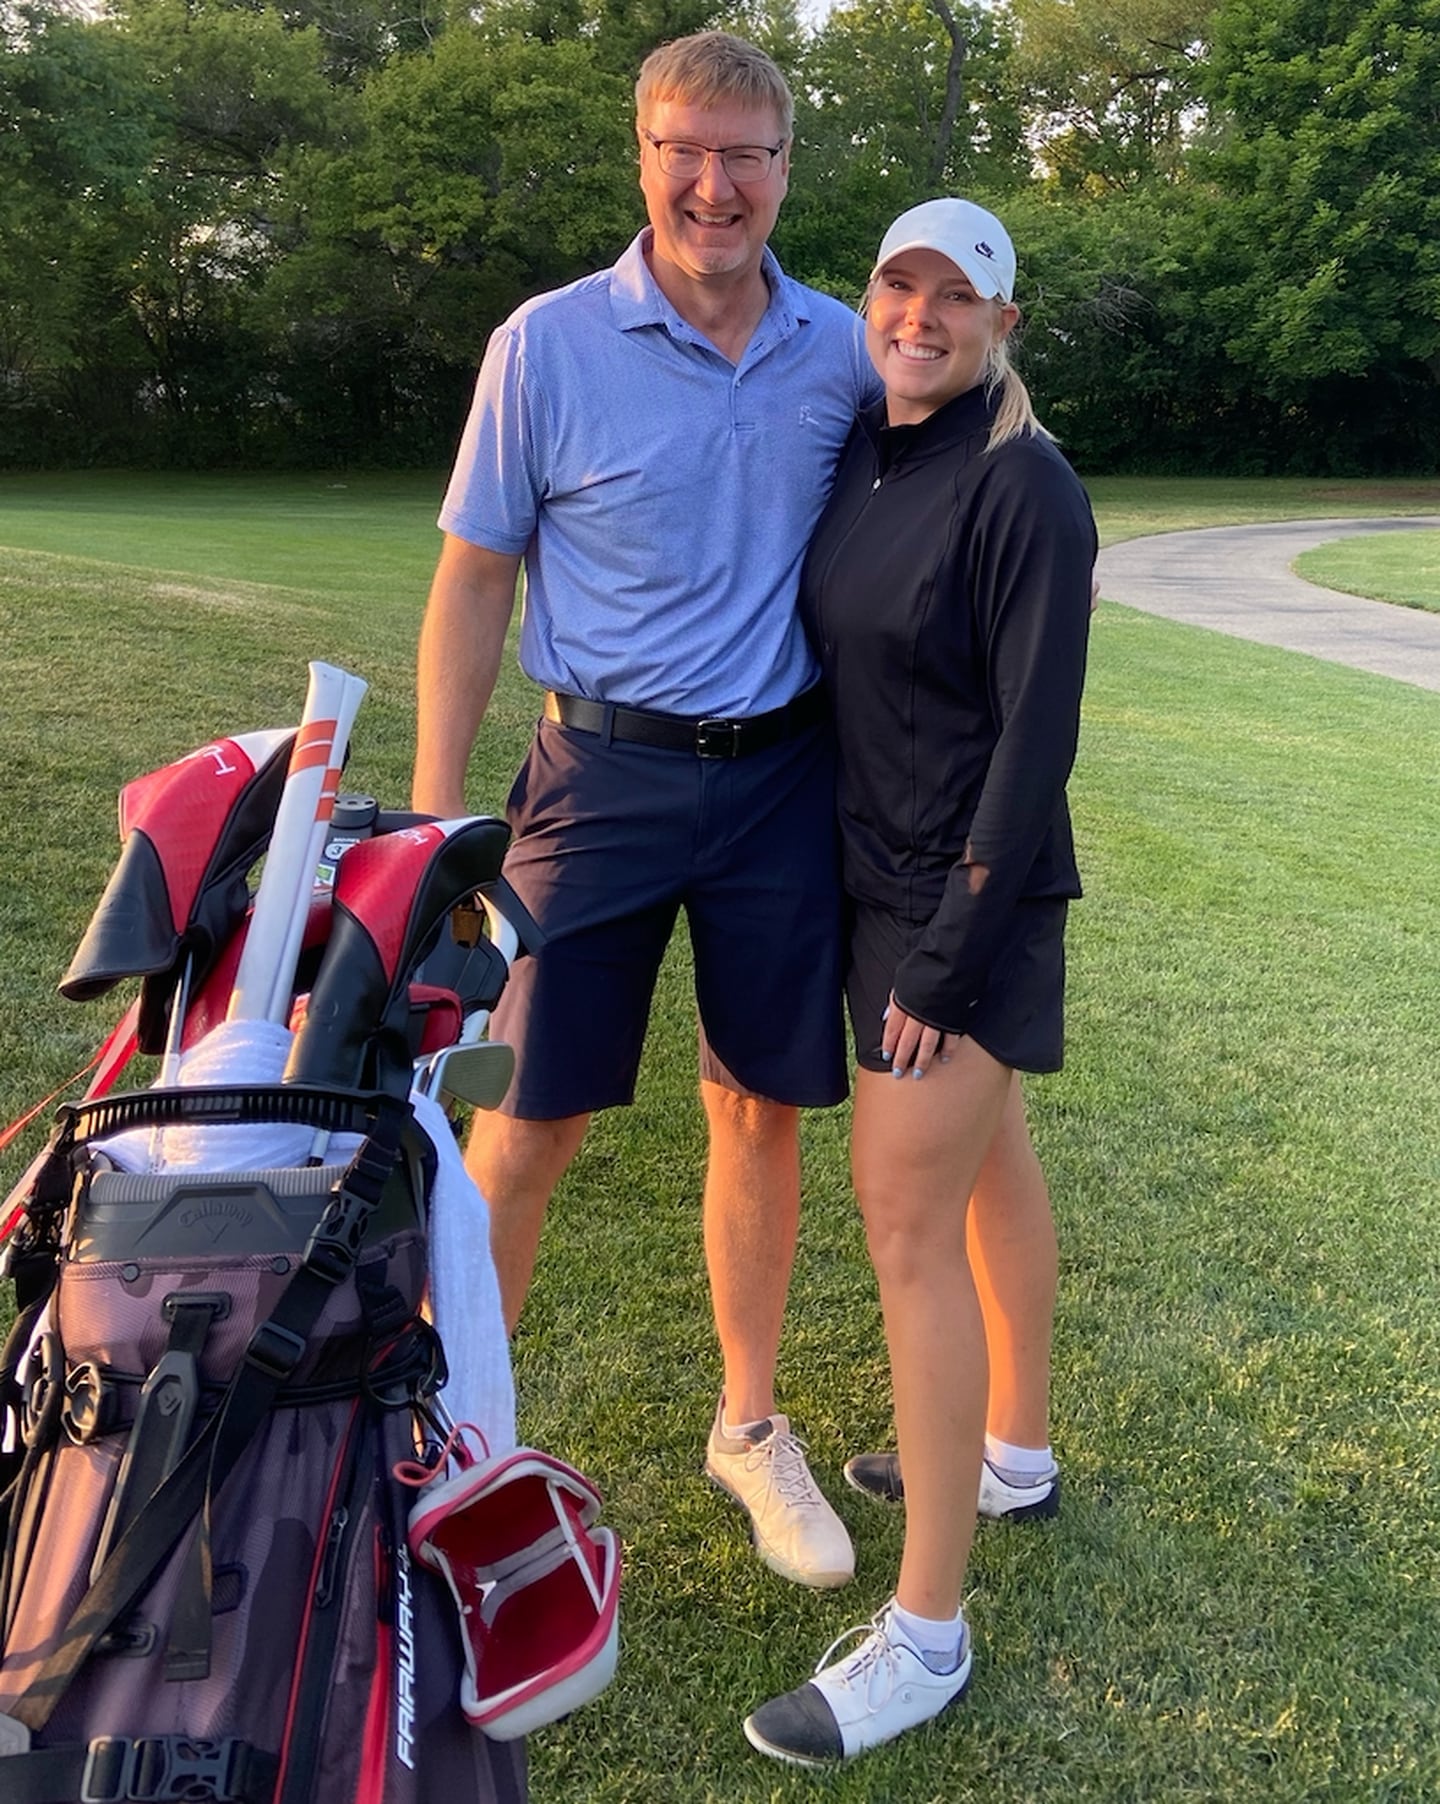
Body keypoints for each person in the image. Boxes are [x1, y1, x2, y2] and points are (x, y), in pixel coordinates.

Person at [411, 31, 881, 1591]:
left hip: (778, 784)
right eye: (686, 146)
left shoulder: (840, 346)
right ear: (643, 153)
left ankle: (748, 1428)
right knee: (525, 1118)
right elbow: (476, 576)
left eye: (747, 152)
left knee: (760, 1106)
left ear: (784, 170)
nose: (715, 181)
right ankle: (447, 1440)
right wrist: (431, 827)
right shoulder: (544, 344)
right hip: (594, 780)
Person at [742, 197, 1096, 1765]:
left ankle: (929, 1635)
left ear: (1003, 327)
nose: (924, 313)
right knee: (985, 1172)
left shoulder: (1025, 486)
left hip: (964, 906)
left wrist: (947, 964)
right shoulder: (872, 455)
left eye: (962, 297)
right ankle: (1014, 1452)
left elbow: (1035, 747)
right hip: (874, 883)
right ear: (866, 298)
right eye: (902, 284)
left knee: (906, 1229)